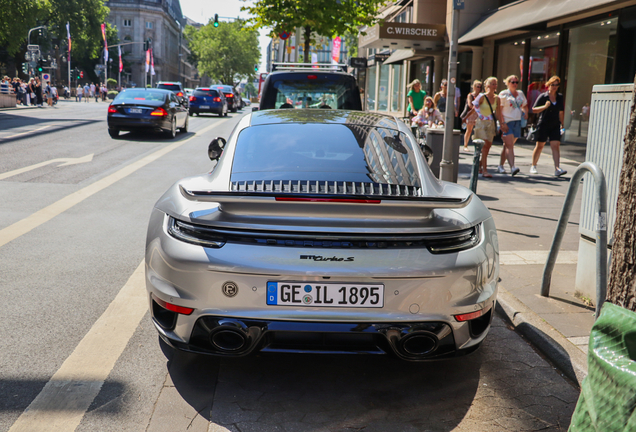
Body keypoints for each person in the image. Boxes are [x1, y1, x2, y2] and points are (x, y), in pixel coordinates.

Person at [531, 75, 566, 177]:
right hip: (544, 123)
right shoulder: (543, 96)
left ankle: (557, 168)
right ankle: (533, 165)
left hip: (555, 124)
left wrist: (562, 124)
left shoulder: (559, 97)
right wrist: (545, 106)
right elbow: (534, 109)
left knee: (555, 145)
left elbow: (561, 112)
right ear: (548, 85)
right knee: (540, 145)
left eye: (556, 85)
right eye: (552, 84)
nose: (554, 87)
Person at [496, 75, 527, 176]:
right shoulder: (503, 94)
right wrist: (502, 123)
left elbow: (525, 105)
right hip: (507, 121)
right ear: (508, 82)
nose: (515, 84)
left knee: (508, 146)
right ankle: (512, 167)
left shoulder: (520, 94)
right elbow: (499, 110)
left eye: (516, 82)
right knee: (509, 146)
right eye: (512, 82)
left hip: (517, 121)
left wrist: (525, 112)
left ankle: (500, 165)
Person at [472, 76, 503, 178]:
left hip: (491, 124)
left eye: (496, 84)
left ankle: (480, 164)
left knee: (488, 146)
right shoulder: (482, 97)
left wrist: (502, 124)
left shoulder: (497, 98)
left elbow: (498, 113)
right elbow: (475, 107)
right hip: (481, 123)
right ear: (487, 85)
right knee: (485, 146)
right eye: (493, 83)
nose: (495, 86)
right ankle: (485, 170)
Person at [462, 80, 482, 151]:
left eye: (480, 87)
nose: (479, 88)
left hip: (478, 114)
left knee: (478, 130)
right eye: (477, 86)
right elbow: (470, 105)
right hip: (471, 113)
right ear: (474, 87)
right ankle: (465, 145)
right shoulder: (470, 95)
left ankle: (478, 146)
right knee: (469, 130)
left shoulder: (481, 96)